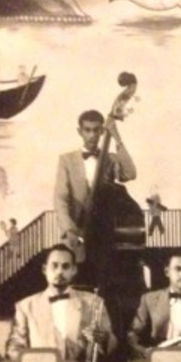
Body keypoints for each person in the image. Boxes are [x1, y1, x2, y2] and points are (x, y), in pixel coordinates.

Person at [54, 109, 137, 286]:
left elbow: (130, 173)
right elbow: (60, 198)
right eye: (87, 130)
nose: (92, 135)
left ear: (102, 131)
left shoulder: (110, 159)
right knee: (76, 284)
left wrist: (116, 136)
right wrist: (69, 230)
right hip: (78, 231)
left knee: (105, 282)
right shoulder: (67, 160)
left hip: (104, 232)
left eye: (96, 130)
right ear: (80, 131)